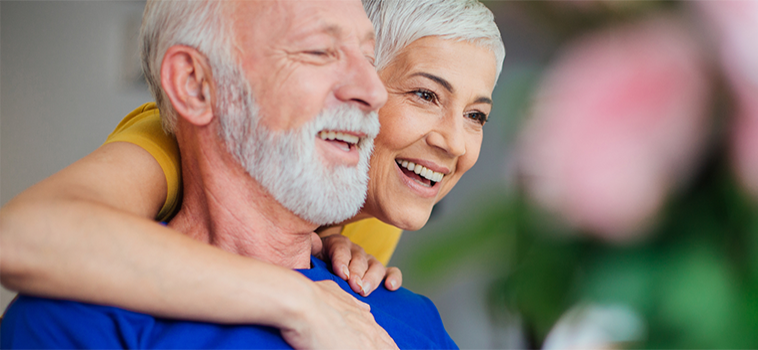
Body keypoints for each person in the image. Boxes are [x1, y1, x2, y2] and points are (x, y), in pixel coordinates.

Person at [0, 0, 504, 347]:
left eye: (368, 60)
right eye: (318, 51)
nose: (369, 91)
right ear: (195, 86)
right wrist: (299, 299)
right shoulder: (78, 313)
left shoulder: (400, 303)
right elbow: (25, 237)